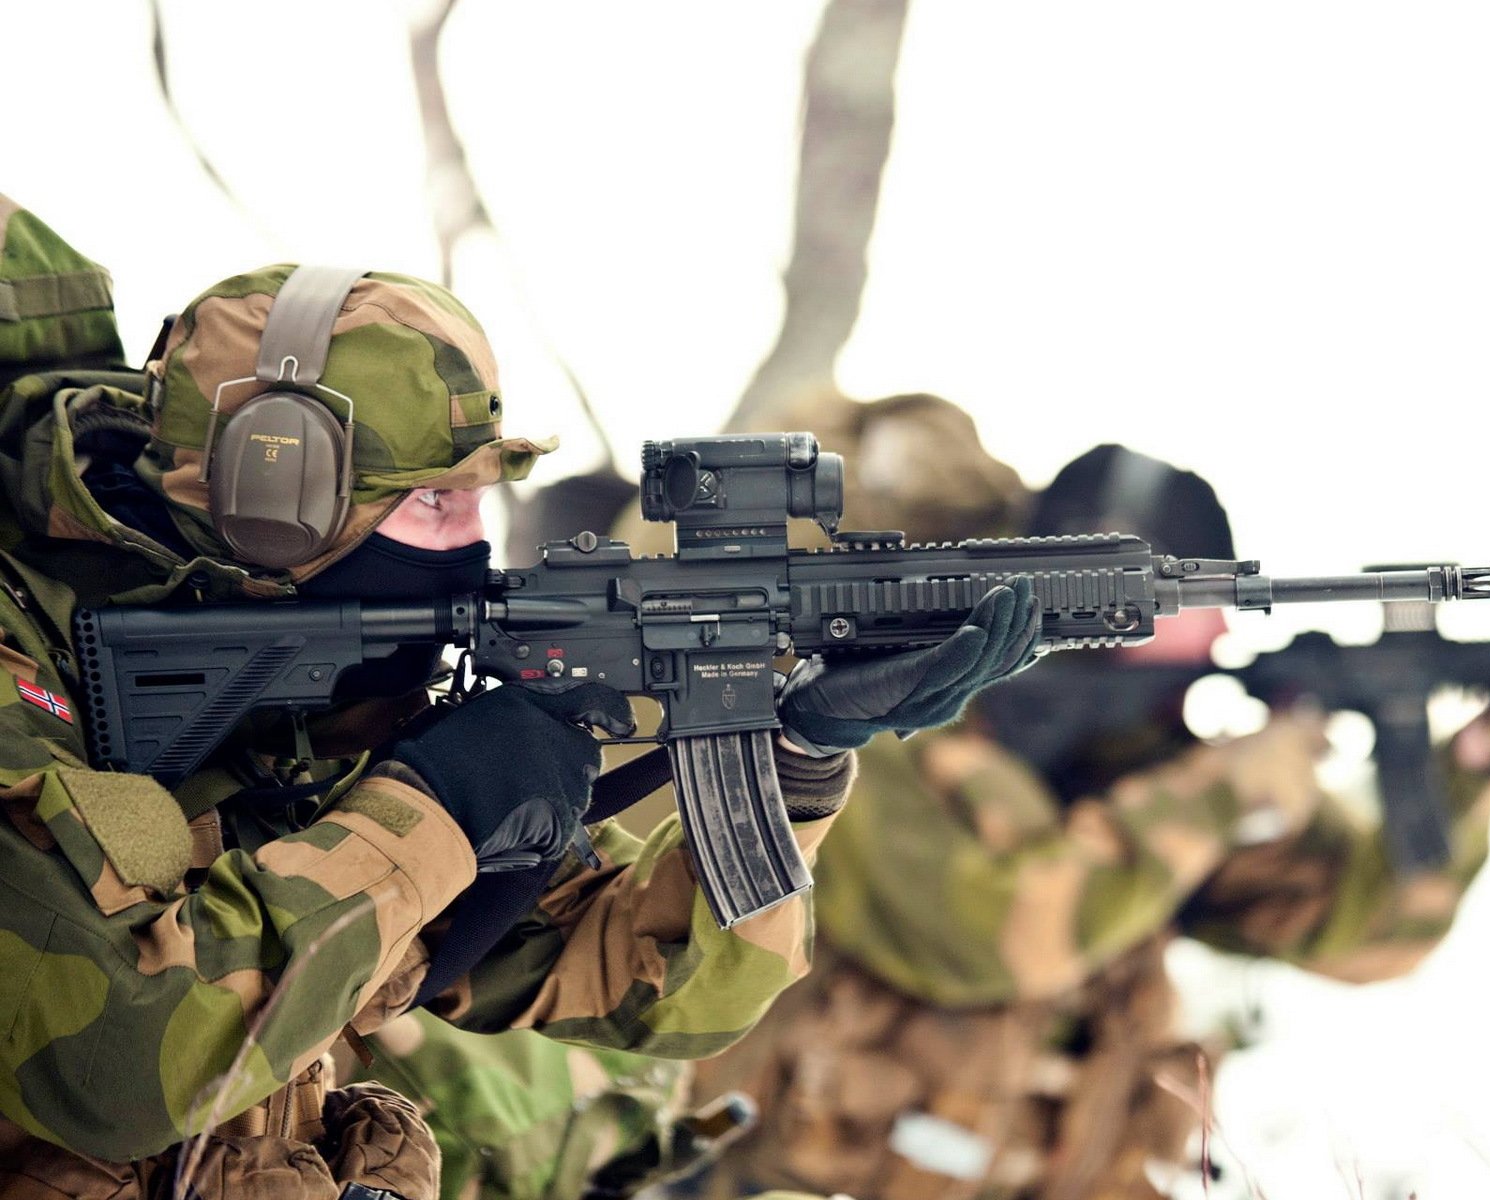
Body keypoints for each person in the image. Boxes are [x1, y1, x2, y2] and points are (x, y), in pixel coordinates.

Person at [0, 199, 1036, 1198]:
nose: (472, 543)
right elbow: (115, 1068)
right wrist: (436, 806)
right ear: (278, 503)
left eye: (483, 497)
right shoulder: (26, 661)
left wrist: (797, 752)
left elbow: (659, 992)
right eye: (435, 502)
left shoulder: (341, 696)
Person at [676, 436, 1490, 1200]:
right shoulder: (874, 729)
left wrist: (1477, 759)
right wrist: (1219, 794)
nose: (1218, 630)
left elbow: (1369, 939)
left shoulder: (1143, 766)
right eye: (1192, 599)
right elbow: (986, 939)